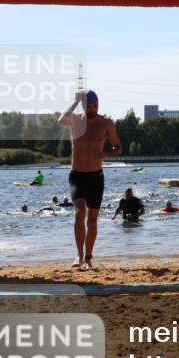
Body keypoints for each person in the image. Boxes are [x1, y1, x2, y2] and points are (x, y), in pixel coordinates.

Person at [58, 89, 122, 271]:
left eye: (95, 106)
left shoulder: (106, 123)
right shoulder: (75, 120)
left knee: (92, 219)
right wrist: (75, 101)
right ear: (84, 106)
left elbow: (119, 147)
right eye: (89, 106)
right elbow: (61, 120)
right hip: (77, 175)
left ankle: (88, 257)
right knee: (79, 213)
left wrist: (105, 153)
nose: (93, 109)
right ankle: (78, 255)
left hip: (96, 176)